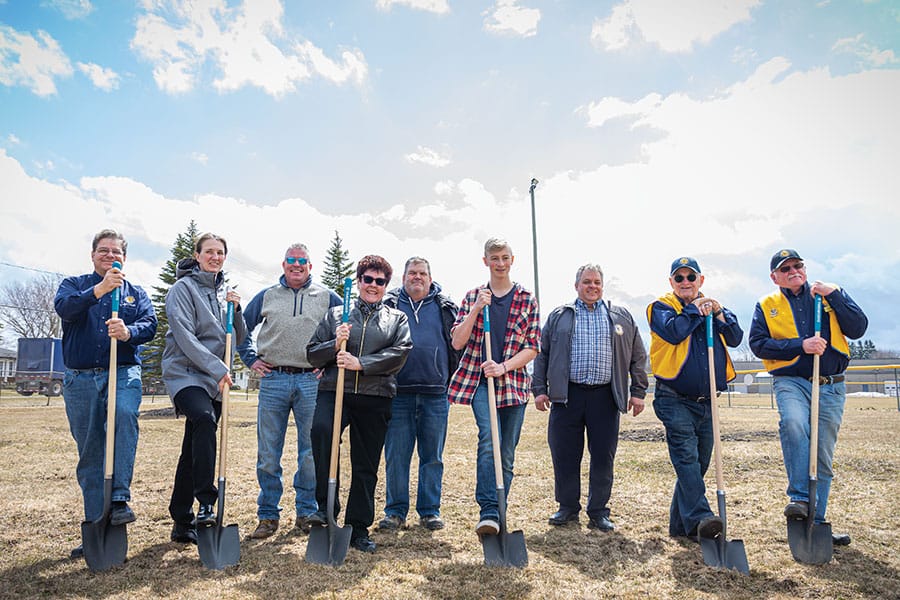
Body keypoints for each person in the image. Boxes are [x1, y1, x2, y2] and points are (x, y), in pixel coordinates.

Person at [749, 249, 867, 547]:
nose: (793, 271)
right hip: (792, 381)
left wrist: (836, 294)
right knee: (793, 423)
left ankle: (816, 523)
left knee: (822, 456)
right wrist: (802, 345)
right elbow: (758, 345)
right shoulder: (767, 305)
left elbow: (858, 328)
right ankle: (800, 498)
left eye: (797, 265)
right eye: (785, 268)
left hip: (830, 385)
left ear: (805, 267)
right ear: (774, 276)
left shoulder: (826, 297)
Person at [54, 229, 157, 559]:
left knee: (125, 415)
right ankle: (96, 529)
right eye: (104, 250)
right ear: (93, 254)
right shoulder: (74, 285)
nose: (110, 256)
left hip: (122, 371)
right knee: (91, 454)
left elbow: (150, 324)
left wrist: (129, 332)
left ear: (125, 258)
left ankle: (119, 499)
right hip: (81, 380)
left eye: (116, 252)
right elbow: (65, 310)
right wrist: (99, 291)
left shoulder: (135, 293)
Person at [306, 255, 412, 553]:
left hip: (375, 395)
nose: (374, 285)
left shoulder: (396, 319)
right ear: (359, 280)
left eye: (380, 281)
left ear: (386, 286)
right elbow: (312, 354)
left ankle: (358, 526)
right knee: (322, 433)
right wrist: (334, 343)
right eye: (368, 279)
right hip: (334, 391)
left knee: (366, 463)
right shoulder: (336, 315)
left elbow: (400, 353)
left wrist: (360, 363)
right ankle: (326, 508)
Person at [532, 264, 648, 531]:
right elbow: (542, 354)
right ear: (576, 286)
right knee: (565, 455)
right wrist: (539, 389)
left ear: (602, 286)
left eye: (596, 282)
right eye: (586, 282)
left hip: (605, 397)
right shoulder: (559, 316)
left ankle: (598, 511)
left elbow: (637, 356)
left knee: (603, 456)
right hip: (567, 396)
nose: (592, 287)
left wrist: (638, 392)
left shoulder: (620, 317)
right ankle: (567, 507)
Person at [238, 243, 342, 539]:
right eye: (291, 260)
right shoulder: (266, 296)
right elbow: (241, 329)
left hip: (312, 381)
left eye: (302, 261)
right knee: (269, 452)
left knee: (310, 453)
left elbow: (344, 332)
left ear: (311, 266)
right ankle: (268, 514)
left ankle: (306, 510)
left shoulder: (327, 297)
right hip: (274, 379)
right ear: (283, 265)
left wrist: (330, 364)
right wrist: (250, 359)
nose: (296, 265)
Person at [646, 256, 742, 543]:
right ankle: (702, 517)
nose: (686, 282)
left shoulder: (713, 308)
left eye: (691, 277)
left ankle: (681, 525)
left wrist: (719, 312)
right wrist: (695, 310)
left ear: (701, 280)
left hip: (707, 400)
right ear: (671, 282)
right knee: (686, 459)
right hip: (673, 398)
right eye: (680, 278)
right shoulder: (661, 307)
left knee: (698, 464)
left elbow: (735, 337)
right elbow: (674, 333)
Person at [449, 237, 540, 536]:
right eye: (494, 258)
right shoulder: (474, 295)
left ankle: (501, 511)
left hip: (512, 383)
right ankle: (488, 511)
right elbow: (457, 341)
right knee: (489, 439)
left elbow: (532, 347)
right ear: (485, 261)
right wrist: (476, 309)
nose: (500, 263)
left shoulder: (527, 299)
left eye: (505, 258)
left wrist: (503, 366)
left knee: (507, 452)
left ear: (512, 260)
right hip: (480, 382)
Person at [162, 232, 246, 545]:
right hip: (185, 373)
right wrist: (219, 368)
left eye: (220, 252)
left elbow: (237, 338)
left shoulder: (227, 291)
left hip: (214, 378)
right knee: (204, 419)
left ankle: (181, 520)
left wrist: (236, 311)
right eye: (208, 252)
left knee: (194, 447)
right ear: (197, 256)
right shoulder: (182, 289)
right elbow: (185, 337)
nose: (215, 257)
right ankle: (207, 503)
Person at [378, 257, 459, 532]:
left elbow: (456, 344)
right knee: (397, 456)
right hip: (397, 393)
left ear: (430, 278)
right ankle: (395, 512)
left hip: (435, 394)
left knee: (432, 456)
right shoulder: (388, 305)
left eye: (422, 273)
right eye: (412, 273)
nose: (417, 277)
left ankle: (429, 511)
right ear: (403, 278)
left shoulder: (445, 306)